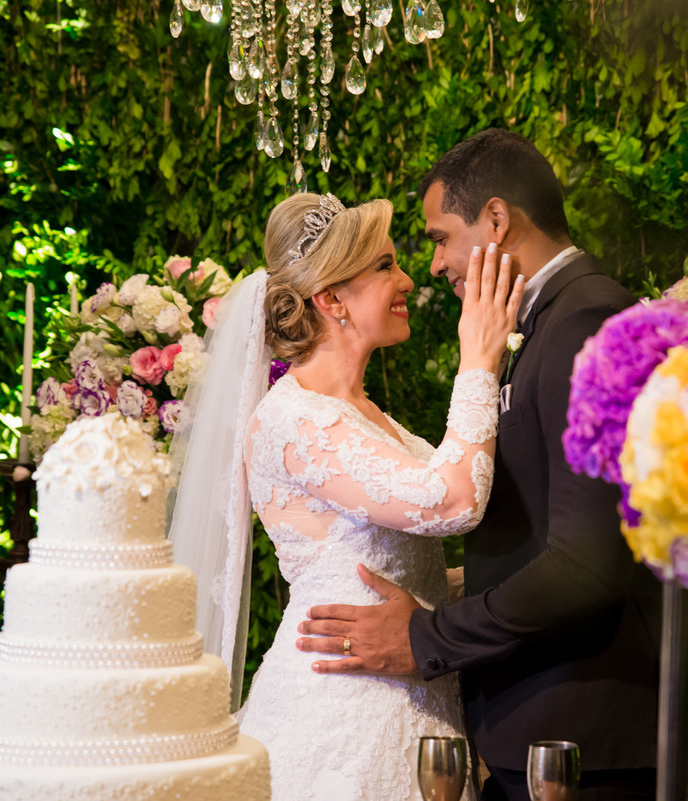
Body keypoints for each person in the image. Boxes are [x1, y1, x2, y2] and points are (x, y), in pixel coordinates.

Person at [296, 129, 688, 800]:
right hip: (543, 729)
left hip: (586, 737)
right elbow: (532, 530)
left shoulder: (586, 320)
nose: (434, 265)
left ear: (495, 219)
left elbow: (587, 562)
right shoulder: (541, 321)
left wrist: (427, 636)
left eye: (440, 238)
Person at [168, 192, 524, 801]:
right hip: (343, 716)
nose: (408, 279)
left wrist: (485, 590)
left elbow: (405, 563)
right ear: (330, 299)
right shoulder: (294, 421)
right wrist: (479, 358)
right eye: (385, 265)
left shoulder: (365, 416)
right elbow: (452, 501)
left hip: (411, 701)